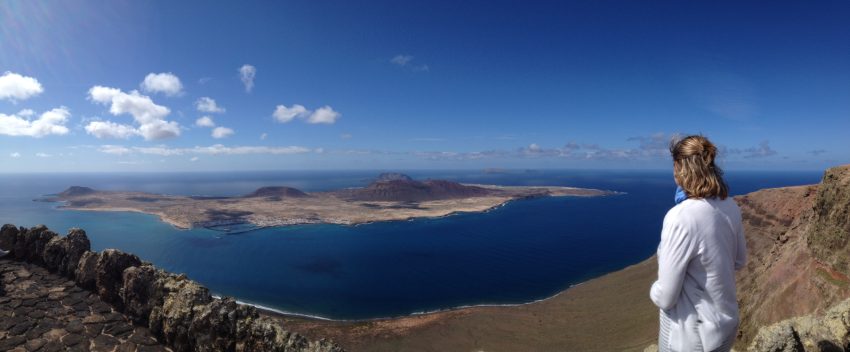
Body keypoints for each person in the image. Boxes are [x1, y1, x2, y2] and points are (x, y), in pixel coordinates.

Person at [650, 135, 747, 352]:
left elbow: (666, 297)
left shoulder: (680, 216)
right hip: (725, 325)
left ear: (678, 167)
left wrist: (653, 290)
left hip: (690, 338)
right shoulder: (730, 205)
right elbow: (739, 261)